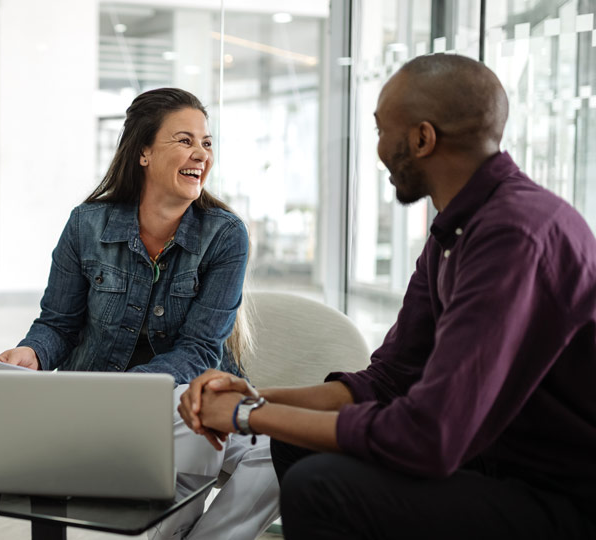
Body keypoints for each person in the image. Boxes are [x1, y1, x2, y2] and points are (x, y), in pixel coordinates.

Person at [179, 54, 596, 539]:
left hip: (562, 495)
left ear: (422, 138)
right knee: (297, 445)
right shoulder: (454, 232)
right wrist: (255, 398)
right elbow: (388, 379)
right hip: (493, 461)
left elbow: (430, 437)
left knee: (321, 486)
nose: (376, 149)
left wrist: (247, 417)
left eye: (381, 130)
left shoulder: (514, 234)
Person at [0, 87, 281, 540]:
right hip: (98, 404)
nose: (200, 154)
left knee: (278, 452)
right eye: (184, 140)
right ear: (144, 151)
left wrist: (131, 392)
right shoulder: (87, 224)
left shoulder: (225, 236)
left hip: (183, 396)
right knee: (191, 441)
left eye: (206, 143)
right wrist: (32, 351)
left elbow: (201, 350)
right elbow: (58, 324)